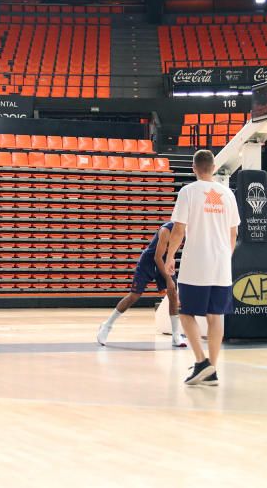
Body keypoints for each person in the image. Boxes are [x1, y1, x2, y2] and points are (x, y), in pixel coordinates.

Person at [165, 150, 240, 386]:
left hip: (197, 262)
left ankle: (201, 362)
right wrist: (226, 256)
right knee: (215, 316)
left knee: (185, 311)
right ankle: (212, 370)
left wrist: (169, 257)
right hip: (221, 263)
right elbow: (234, 232)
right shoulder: (227, 193)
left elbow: (178, 230)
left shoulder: (188, 192)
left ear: (194, 168)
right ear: (214, 167)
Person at [97, 222, 185, 348]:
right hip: (150, 262)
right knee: (134, 296)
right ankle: (107, 326)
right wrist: (168, 279)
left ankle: (176, 335)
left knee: (173, 295)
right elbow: (157, 257)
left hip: (166, 261)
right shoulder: (166, 230)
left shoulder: (185, 232)